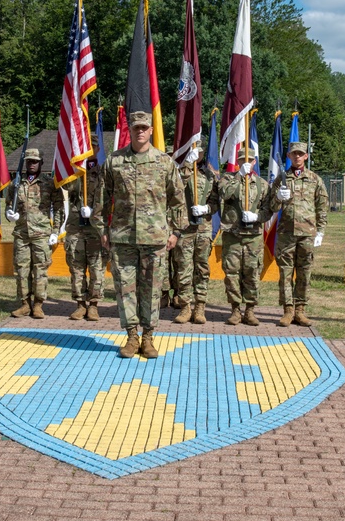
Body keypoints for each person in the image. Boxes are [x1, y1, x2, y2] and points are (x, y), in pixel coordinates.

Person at [93, 111, 188, 358]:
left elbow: (178, 200)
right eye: (136, 128)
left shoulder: (164, 162)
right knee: (125, 289)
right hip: (123, 237)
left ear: (151, 130)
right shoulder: (114, 162)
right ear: (130, 130)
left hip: (155, 238)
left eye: (144, 127)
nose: (140, 131)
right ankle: (132, 337)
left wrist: (176, 231)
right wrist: (102, 229)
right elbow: (101, 198)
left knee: (152, 290)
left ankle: (148, 337)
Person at [265, 141, 328, 327]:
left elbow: (322, 207)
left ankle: (300, 310)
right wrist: (278, 197)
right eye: (294, 154)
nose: (297, 157)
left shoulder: (315, 179)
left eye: (301, 154)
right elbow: (271, 207)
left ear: (306, 156)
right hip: (286, 233)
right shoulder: (281, 179)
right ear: (289, 156)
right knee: (285, 272)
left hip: (307, 233)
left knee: (304, 272)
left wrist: (321, 231)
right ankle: (287, 310)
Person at [5, 148, 63, 319]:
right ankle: (24, 304)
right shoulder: (16, 184)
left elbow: (59, 208)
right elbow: (9, 205)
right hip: (22, 233)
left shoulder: (49, 183)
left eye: (35, 161)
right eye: (29, 161)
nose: (32, 164)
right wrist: (9, 213)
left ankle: (38, 305)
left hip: (42, 233)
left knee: (40, 270)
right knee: (22, 270)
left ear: (41, 163)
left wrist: (55, 231)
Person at [217, 147, 269, 326]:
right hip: (233, 234)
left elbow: (268, 209)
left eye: (250, 160)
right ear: (237, 161)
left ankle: (250, 310)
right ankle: (235, 310)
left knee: (252, 273)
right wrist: (239, 175)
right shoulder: (227, 178)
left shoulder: (262, 184)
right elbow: (225, 194)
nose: (246, 162)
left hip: (253, 236)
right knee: (231, 273)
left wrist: (258, 217)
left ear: (255, 161)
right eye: (242, 159)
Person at [172, 150, 218, 324]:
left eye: (199, 151)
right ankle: (185, 306)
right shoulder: (180, 172)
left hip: (203, 228)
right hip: (184, 227)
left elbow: (215, 201)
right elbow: (175, 187)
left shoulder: (210, 175)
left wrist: (206, 209)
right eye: (193, 151)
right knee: (183, 268)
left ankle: (200, 306)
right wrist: (186, 165)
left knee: (202, 269)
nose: (196, 154)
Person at [63, 139, 104, 321]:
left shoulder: (104, 172)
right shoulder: (76, 172)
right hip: (76, 227)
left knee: (96, 268)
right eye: (85, 147)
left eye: (92, 147)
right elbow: (64, 185)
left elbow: (109, 197)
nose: (89, 151)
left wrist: (94, 211)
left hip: (96, 228)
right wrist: (76, 170)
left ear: (97, 149)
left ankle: (93, 305)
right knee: (77, 267)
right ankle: (80, 304)